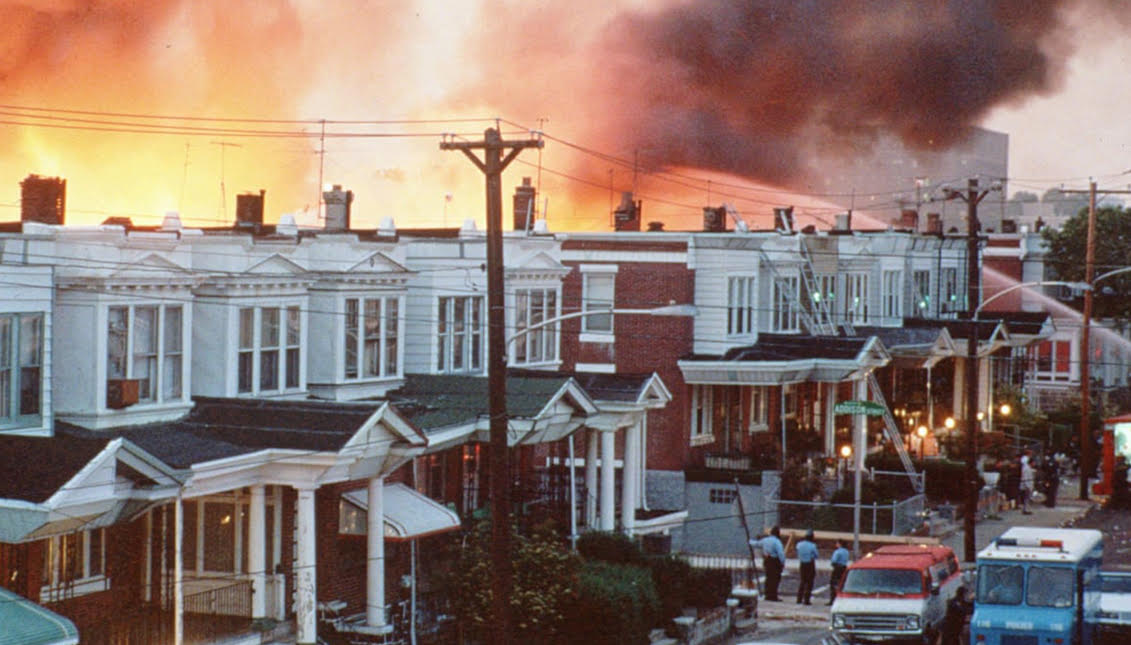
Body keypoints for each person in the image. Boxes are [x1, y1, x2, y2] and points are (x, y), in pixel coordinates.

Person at [759, 526, 785, 601]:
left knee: (768, 578)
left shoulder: (765, 540)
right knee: (775, 579)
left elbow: (757, 544)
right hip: (775, 561)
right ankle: (773, 596)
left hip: (767, 560)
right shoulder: (777, 542)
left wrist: (750, 541)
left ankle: (767, 595)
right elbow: (781, 554)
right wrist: (782, 562)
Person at [795, 529, 818, 605]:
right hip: (810, 563)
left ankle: (799, 598)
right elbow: (816, 555)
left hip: (802, 563)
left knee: (802, 581)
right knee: (809, 582)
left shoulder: (799, 544)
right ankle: (806, 600)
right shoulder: (813, 546)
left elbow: (797, 551)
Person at [828, 539, 850, 605]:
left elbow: (834, 561)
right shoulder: (846, 552)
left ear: (840, 544)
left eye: (837, 543)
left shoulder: (837, 552)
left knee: (833, 583)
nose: (836, 544)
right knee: (842, 583)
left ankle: (832, 599)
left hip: (837, 568)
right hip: (844, 567)